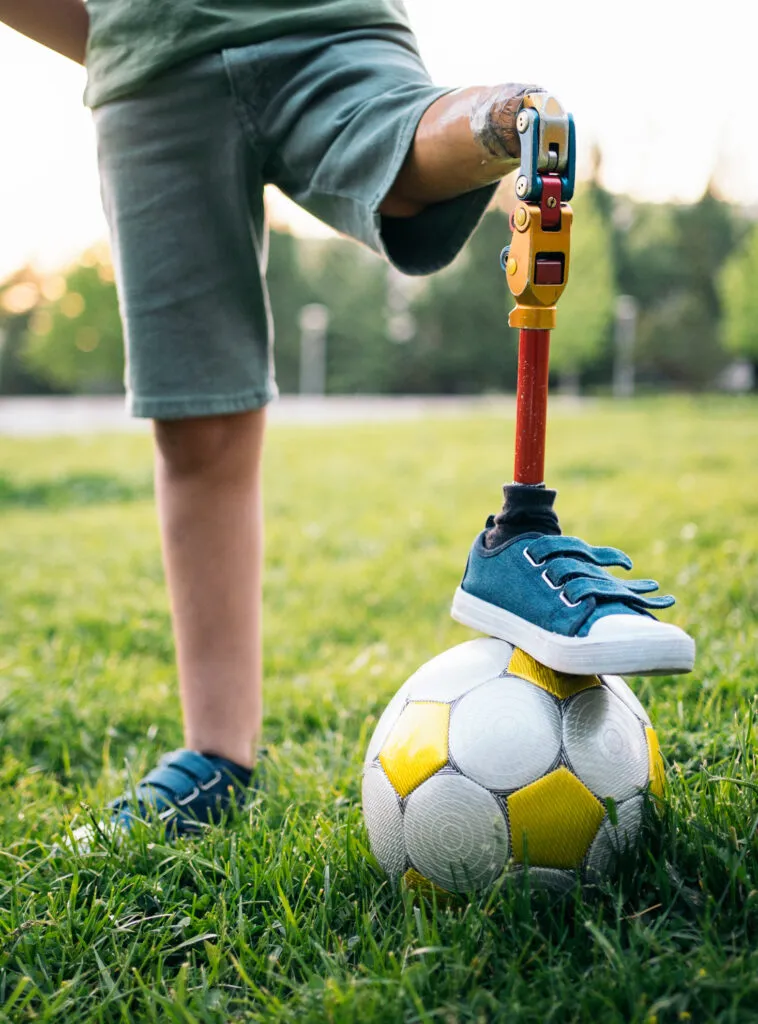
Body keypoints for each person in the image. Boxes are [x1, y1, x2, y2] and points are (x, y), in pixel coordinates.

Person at [1, 0, 693, 841]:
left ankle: (508, 121)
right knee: (198, 416)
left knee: (398, 168)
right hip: (151, 60)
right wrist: (118, 38)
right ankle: (214, 756)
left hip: (320, 18)